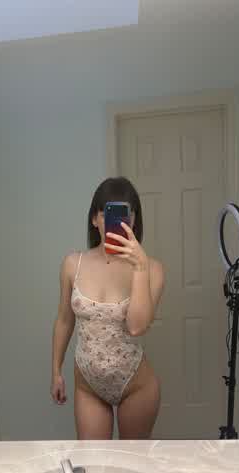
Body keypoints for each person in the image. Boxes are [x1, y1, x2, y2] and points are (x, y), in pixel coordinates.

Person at [51, 177, 164, 439]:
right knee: (94, 459)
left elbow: (136, 327)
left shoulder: (153, 269)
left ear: (134, 220)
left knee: (131, 460)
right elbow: (64, 320)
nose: (118, 222)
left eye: (126, 214)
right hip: (88, 386)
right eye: (107, 213)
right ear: (95, 219)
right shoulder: (72, 264)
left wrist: (140, 267)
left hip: (136, 386)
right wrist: (55, 370)